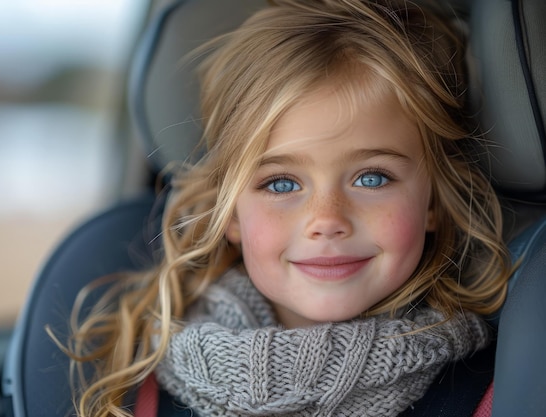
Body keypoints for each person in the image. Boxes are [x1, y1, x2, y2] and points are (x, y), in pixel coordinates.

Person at [56, 1, 513, 416]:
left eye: (371, 178)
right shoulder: (142, 381)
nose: (327, 220)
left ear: (432, 200)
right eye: (281, 183)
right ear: (230, 213)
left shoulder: (496, 391)